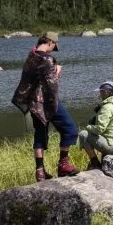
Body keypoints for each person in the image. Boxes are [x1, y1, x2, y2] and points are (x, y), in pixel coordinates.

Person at [11, 32, 81, 182]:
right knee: (70, 130)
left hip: (32, 103)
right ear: (50, 42)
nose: (52, 50)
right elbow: (51, 86)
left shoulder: (32, 54)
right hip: (46, 102)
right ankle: (63, 166)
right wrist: (58, 72)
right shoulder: (48, 59)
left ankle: (40, 172)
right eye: (53, 46)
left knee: (40, 135)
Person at [80, 80, 113, 170]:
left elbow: (99, 130)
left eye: (101, 92)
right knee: (101, 136)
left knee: (83, 134)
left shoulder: (106, 107)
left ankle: (95, 163)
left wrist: (87, 126)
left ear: (107, 92)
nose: (99, 94)